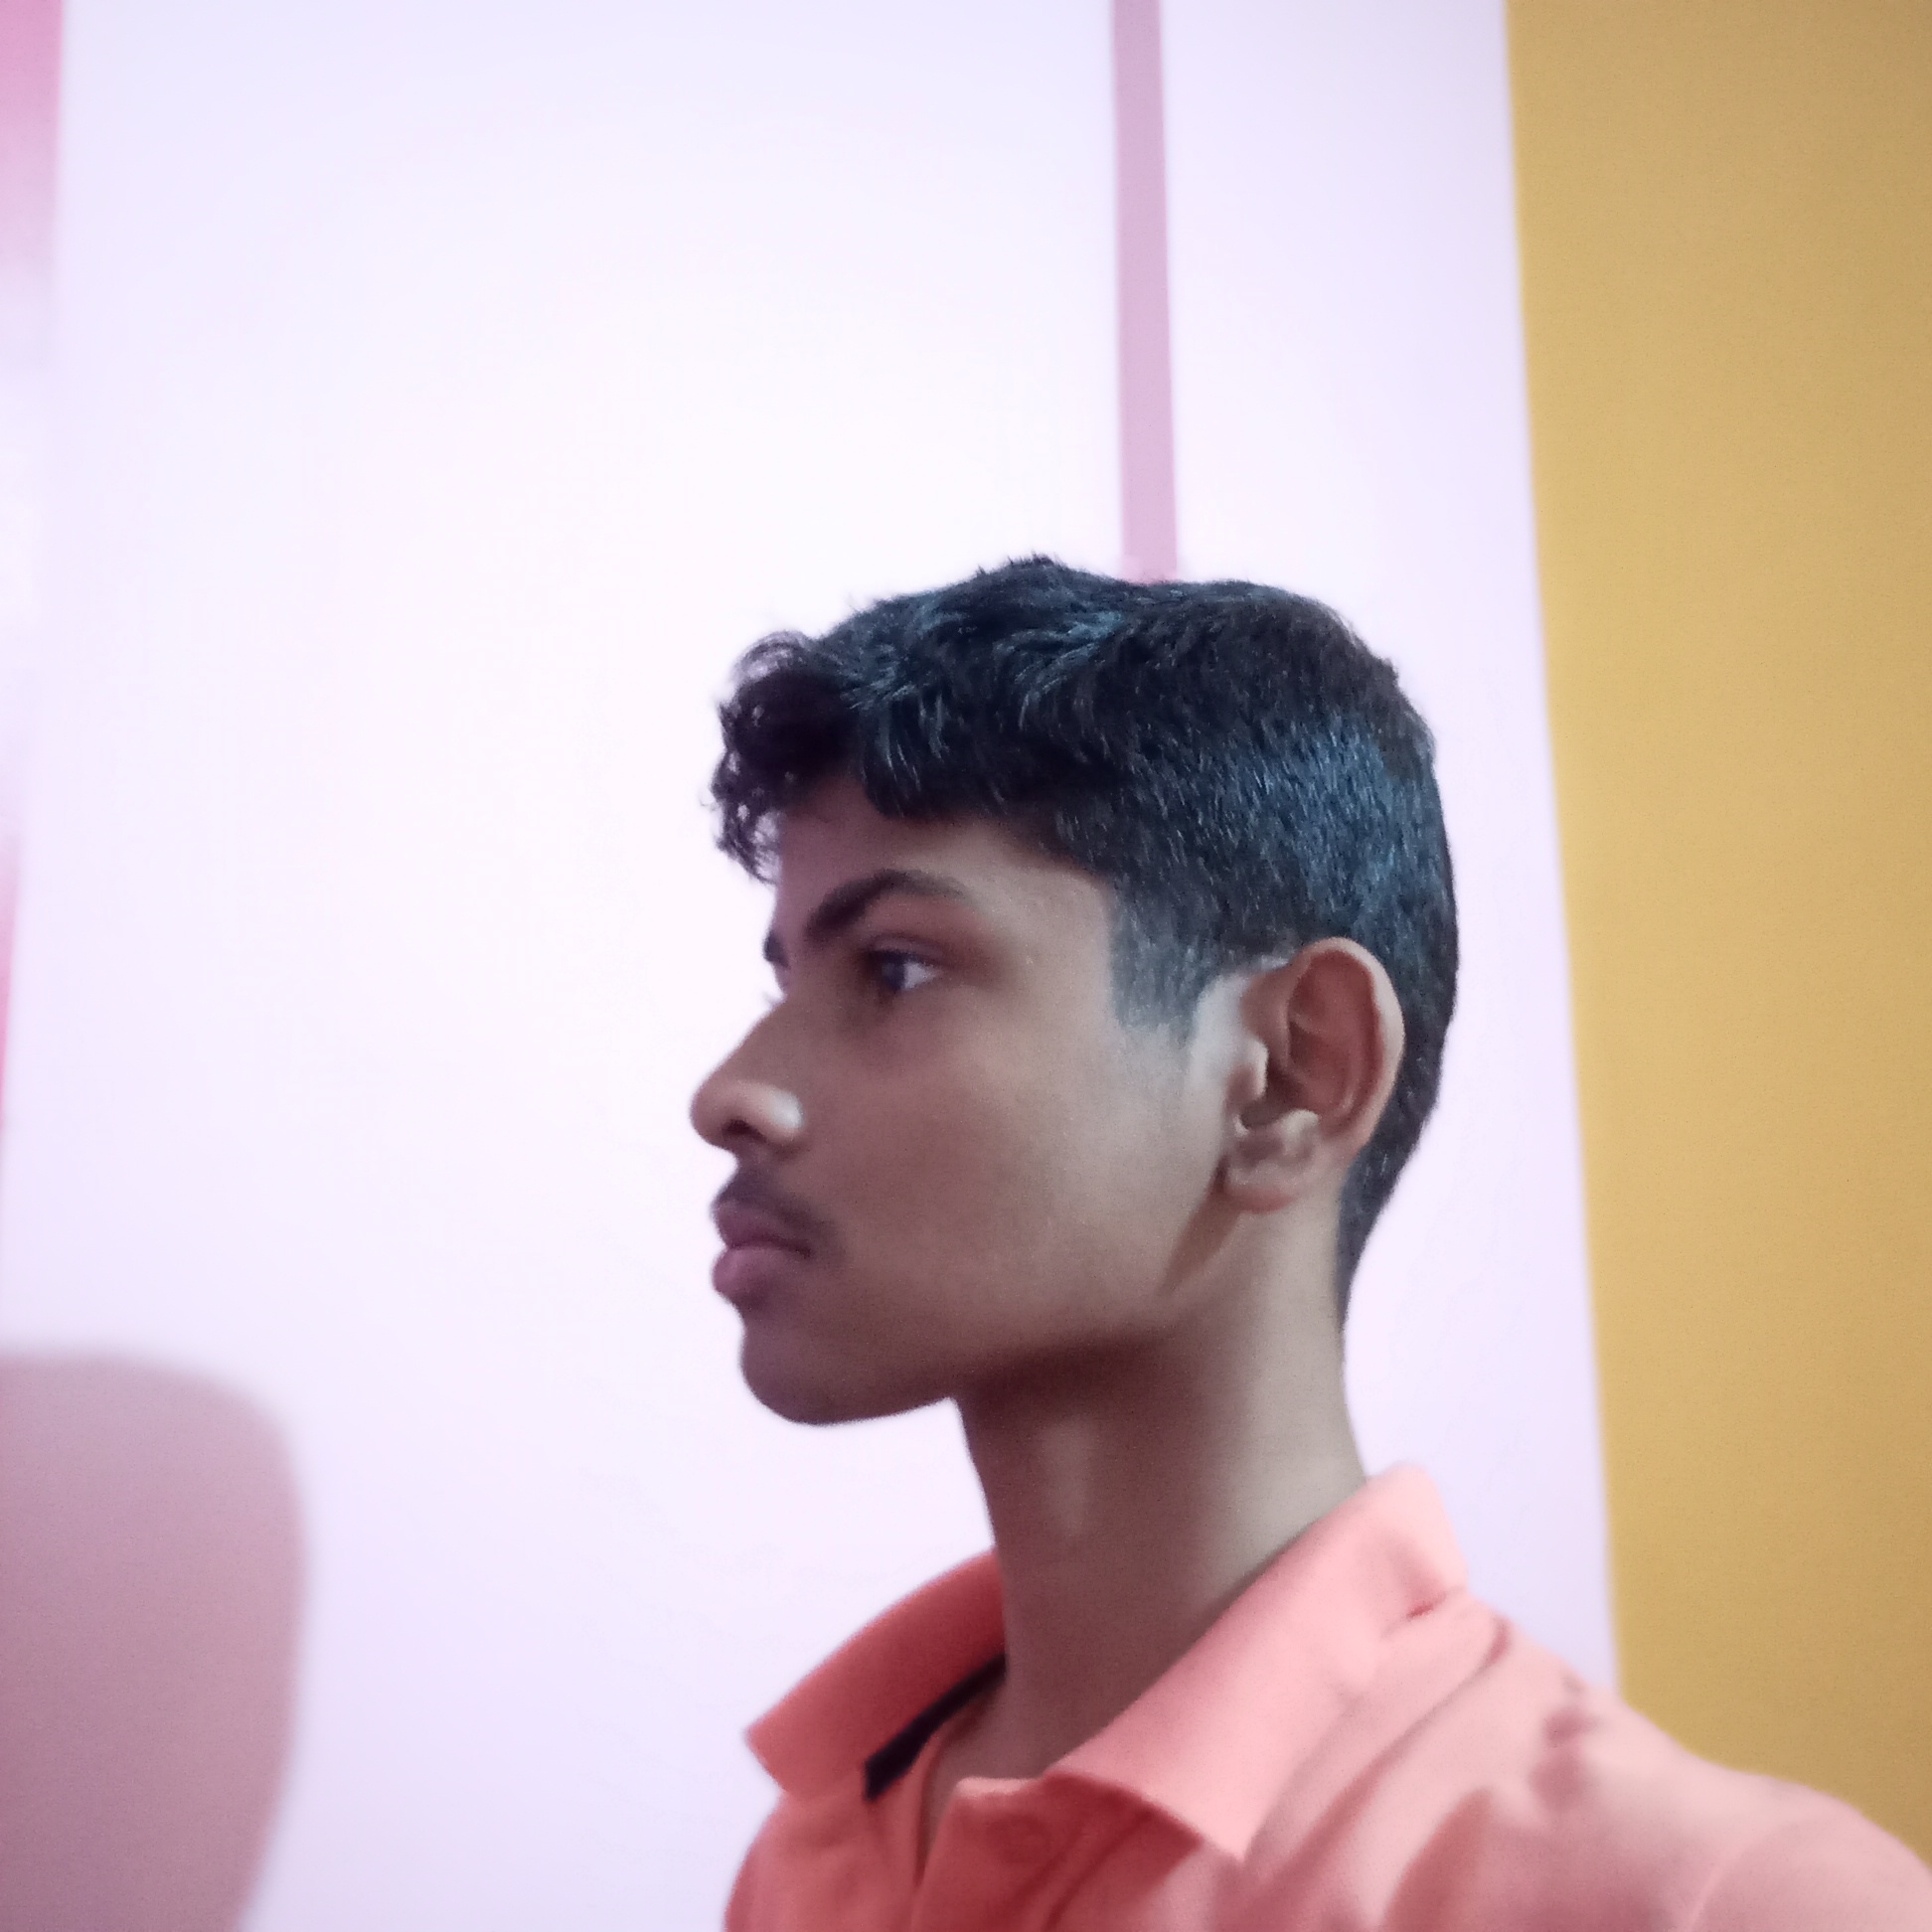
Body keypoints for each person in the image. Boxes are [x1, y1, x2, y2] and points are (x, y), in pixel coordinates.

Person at [690, 559, 1932, 1931]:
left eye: (896, 968)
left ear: (1290, 1076)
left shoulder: (1723, 1903)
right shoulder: (806, 1862)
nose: (731, 1092)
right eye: (786, 980)